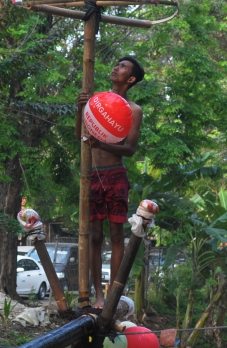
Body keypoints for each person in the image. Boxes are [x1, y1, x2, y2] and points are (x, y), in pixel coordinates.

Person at [75, 56, 145, 308]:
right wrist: (80, 108)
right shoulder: (97, 103)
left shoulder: (133, 110)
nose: (116, 67)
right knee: (94, 236)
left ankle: (113, 295)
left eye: (123, 67)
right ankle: (98, 296)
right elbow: (80, 135)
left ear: (131, 79)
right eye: (116, 64)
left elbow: (130, 149)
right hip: (92, 175)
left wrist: (102, 143)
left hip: (116, 174)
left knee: (116, 236)